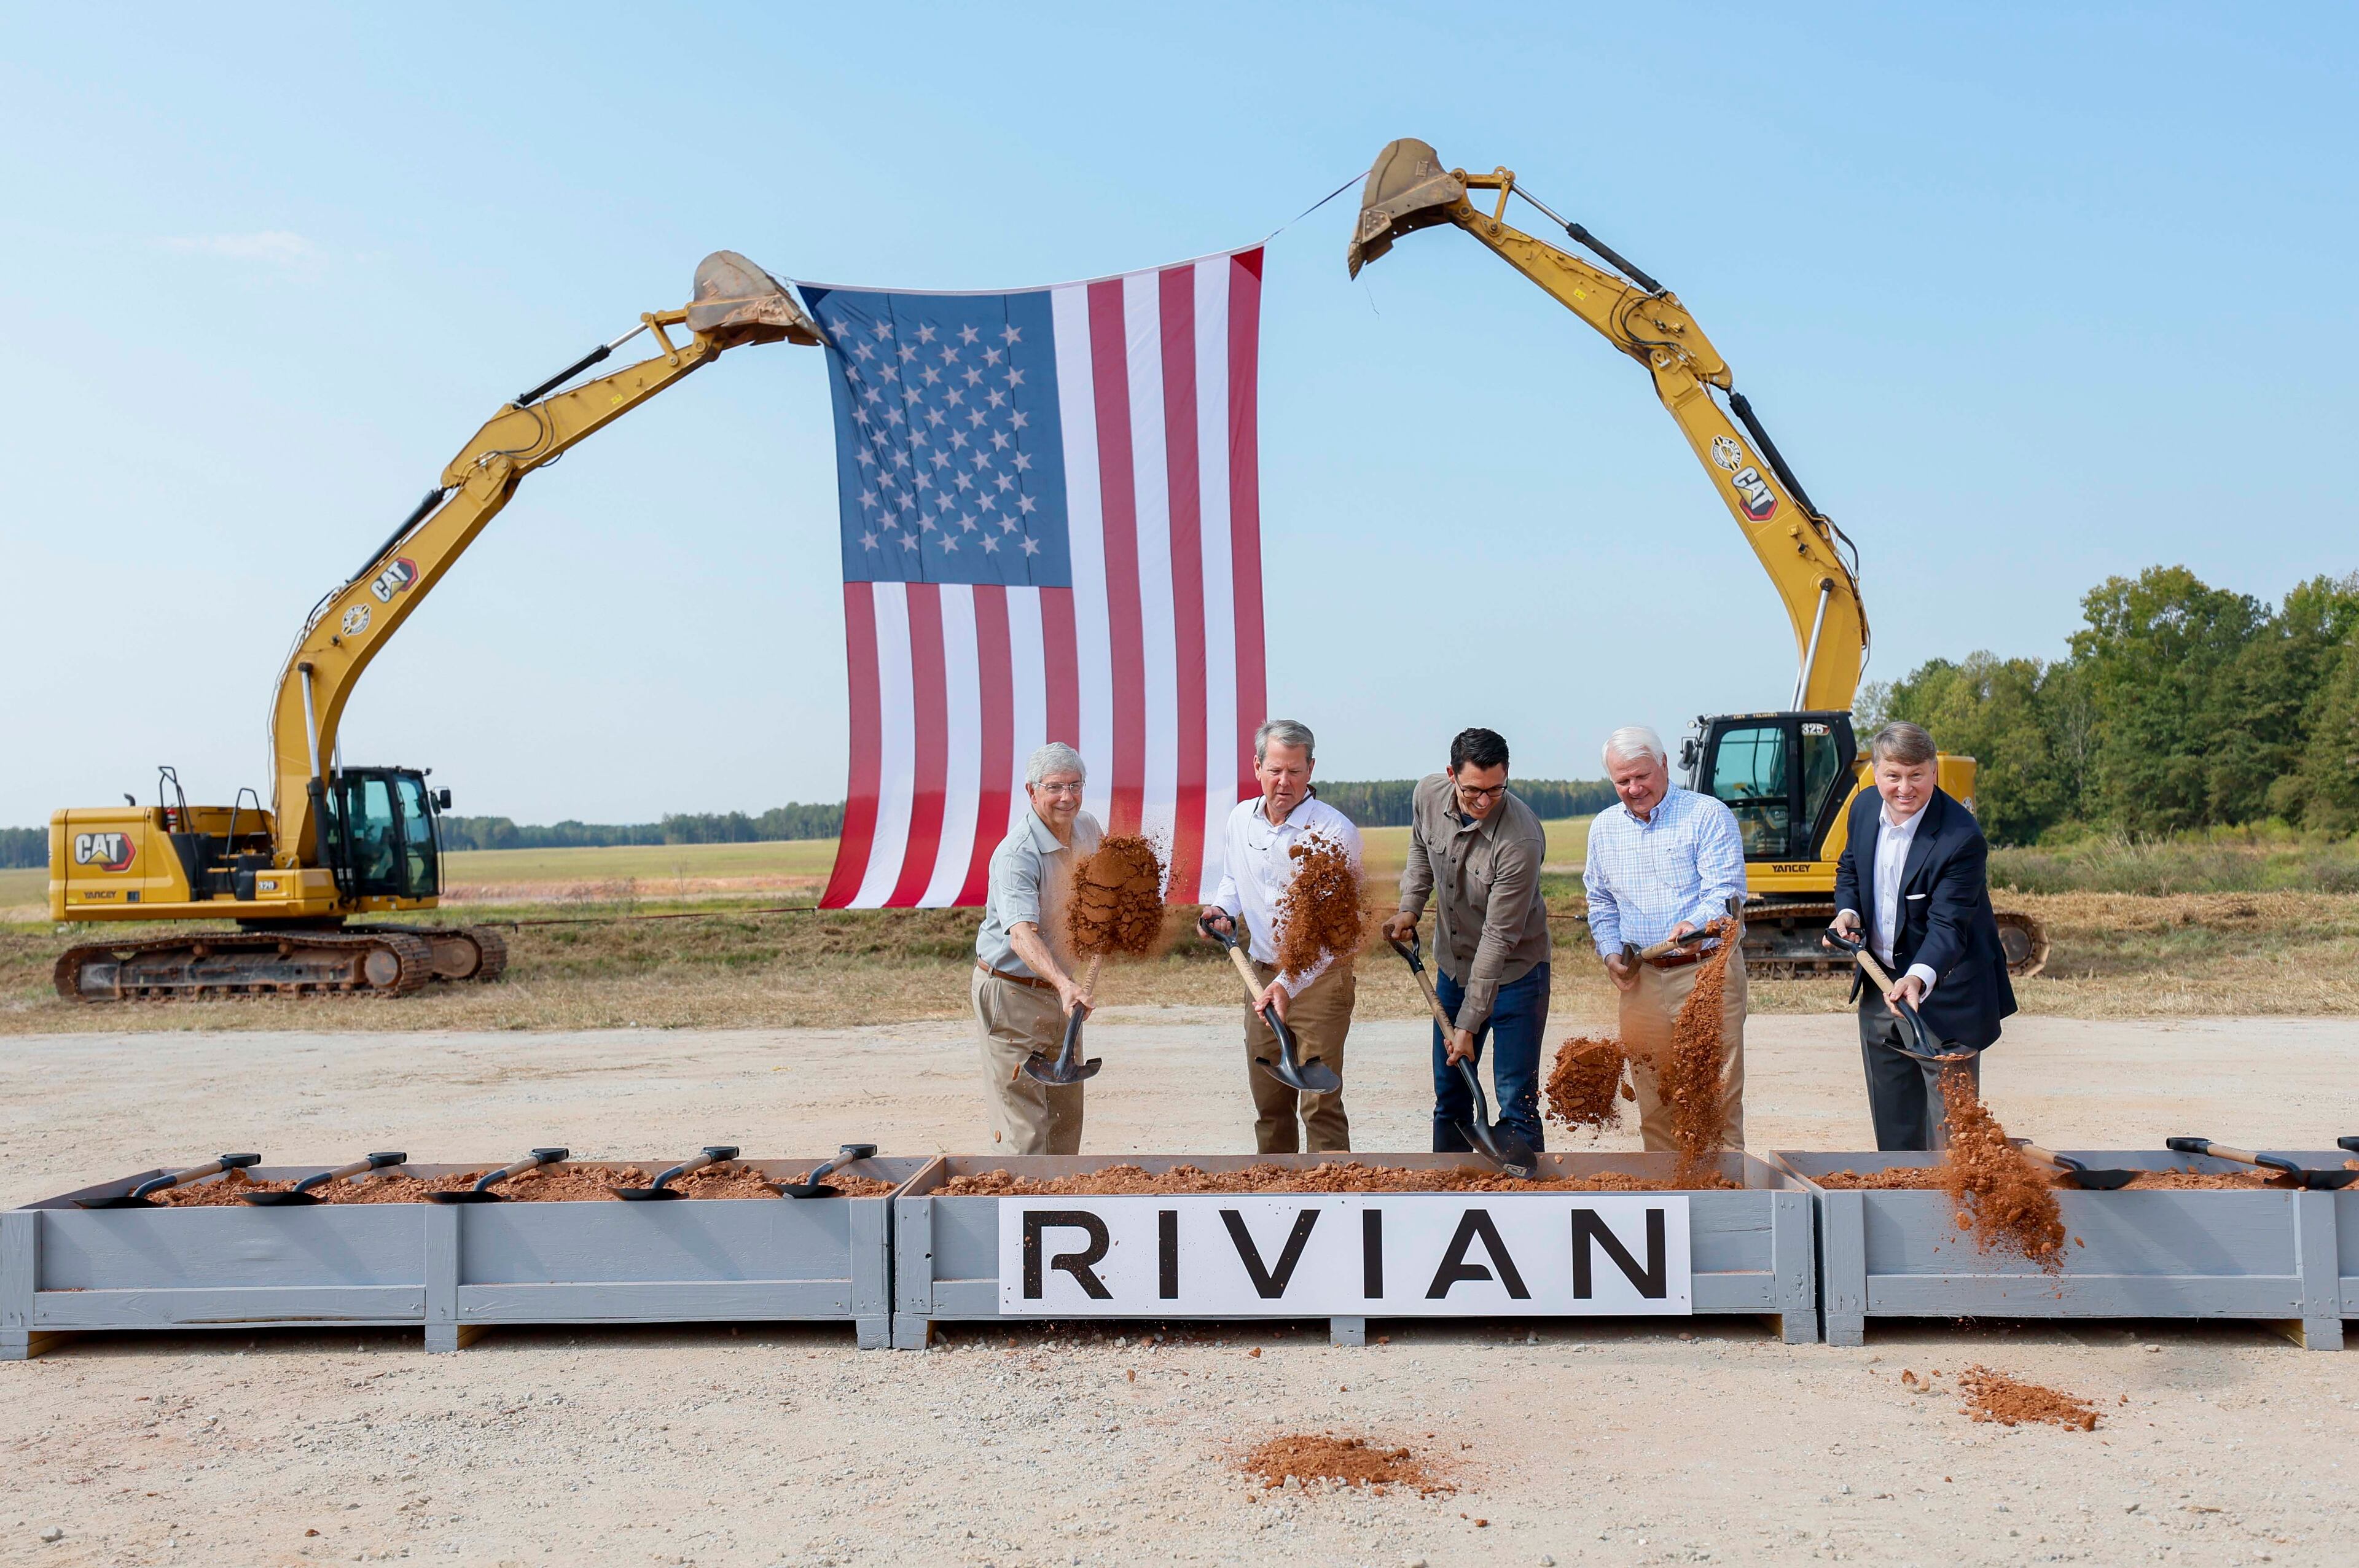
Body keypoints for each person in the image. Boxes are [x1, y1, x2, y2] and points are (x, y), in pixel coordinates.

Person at [1828, 720, 2018, 1151]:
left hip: (1947, 992)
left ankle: (1953, 1196)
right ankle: (1902, 1189)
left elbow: (1949, 925)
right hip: (1880, 986)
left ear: (1934, 770)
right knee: (1894, 1130)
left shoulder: (1961, 838)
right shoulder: (1863, 808)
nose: (1904, 788)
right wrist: (1848, 911)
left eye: (1916, 775)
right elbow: (1850, 867)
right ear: (1876, 773)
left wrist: (1917, 978)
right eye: (1893, 776)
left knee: (1951, 1135)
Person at [1382, 727, 1552, 1155]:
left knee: (1516, 1100)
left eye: (1496, 790)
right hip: (1454, 969)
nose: (1483, 801)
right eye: (1473, 790)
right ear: (1451, 775)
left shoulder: (1520, 839)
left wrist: (1467, 1026)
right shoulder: (1428, 795)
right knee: (1451, 1098)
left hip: (1516, 976)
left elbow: (1498, 938)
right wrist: (1410, 907)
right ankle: (1450, 1186)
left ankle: (1523, 1188)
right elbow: (1420, 850)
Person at [1582, 725, 1750, 1150]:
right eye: (1623, 781)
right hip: (1641, 977)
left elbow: (1725, 891)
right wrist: (1610, 953)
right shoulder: (1604, 829)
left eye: (1642, 776)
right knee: (1655, 1101)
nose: (1634, 788)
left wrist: (1696, 925)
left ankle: (1725, 1187)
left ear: (1663, 765)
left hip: (1706, 973)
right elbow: (1600, 901)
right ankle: (1665, 1186)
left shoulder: (1706, 815)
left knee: (1714, 1096)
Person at [1203, 719, 1362, 1153]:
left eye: (1294, 770)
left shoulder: (1334, 834)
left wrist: (1288, 984)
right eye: (1275, 770)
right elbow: (1232, 879)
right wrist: (1221, 910)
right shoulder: (1241, 820)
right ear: (1257, 767)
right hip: (1259, 975)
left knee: (1320, 1104)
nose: (1284, 781)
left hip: (1320, 980)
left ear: (1311, 769)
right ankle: (1275, 1186)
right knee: (1270, 1105)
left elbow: (1334, 932)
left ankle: (1332, 1185)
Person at [971, 742, 1104, 1155]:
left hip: (1062, 993)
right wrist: (1064, 984)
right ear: (1031, 791)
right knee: (1025, 1132)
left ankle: (1062, 1195)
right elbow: (1022, 935)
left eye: (1075, 785)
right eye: (1055, 787)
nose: (1067, 797)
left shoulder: (1088, 829)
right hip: (1012, 992)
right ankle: (1021, 1196)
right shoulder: (1017, 854)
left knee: (1065, 1121)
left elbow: (1104, 883)